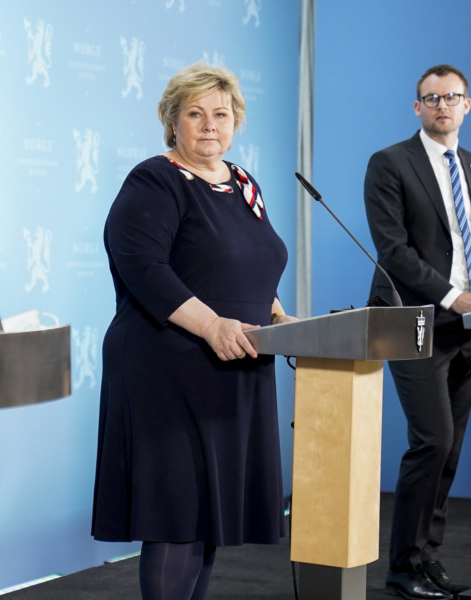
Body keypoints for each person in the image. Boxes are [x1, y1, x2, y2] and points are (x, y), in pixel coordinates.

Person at [91, 61, 294, 600]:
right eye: (195, 114)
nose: (210, 125)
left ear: (236, 122)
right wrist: (210, 324)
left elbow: (248, 262)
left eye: (221, 114)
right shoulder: (155, 179)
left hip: (235, 368)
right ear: (172, 122)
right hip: (170, 369)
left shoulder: (243, 183)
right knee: (177, 517)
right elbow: (143, 264)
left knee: (205, 520)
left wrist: (278, 316)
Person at [363, 64, 471, 600]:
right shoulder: (390, 163)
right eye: (431, 97)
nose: (442, 105)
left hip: (469, 325)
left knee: (451, 447)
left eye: (452, 97)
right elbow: (394, 251)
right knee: (431, 440)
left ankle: (426, 556)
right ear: (417, 107)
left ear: (467, 105)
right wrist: (451, 295)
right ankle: (403, 566)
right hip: (410, 319)